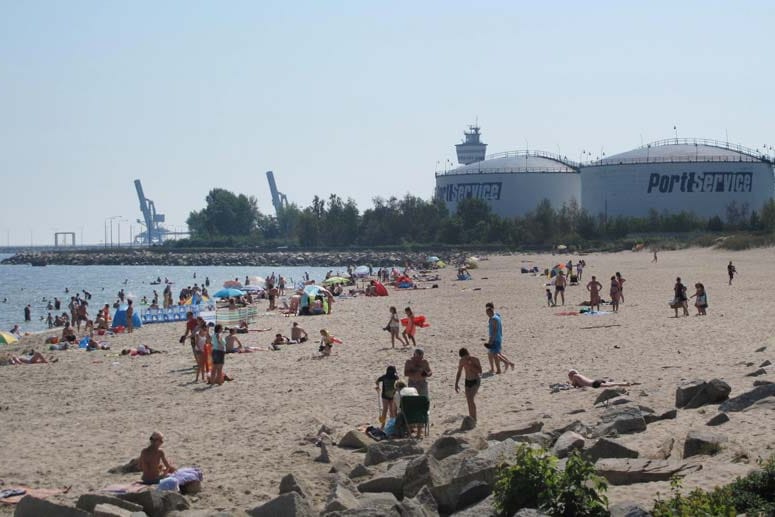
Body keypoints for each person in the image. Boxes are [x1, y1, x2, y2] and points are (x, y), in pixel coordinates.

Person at [485, 303, 515, 374]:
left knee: (495, 355)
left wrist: (491, 340)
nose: (487, 313)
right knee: (492, 354)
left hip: (495, 339)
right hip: (497, 338)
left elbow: (495, 330)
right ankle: (507, 364)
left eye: (488, 311)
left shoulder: (494, 319)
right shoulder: (496, 315)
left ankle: (501, 368)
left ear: (491, 310)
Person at [455, 348, 482, 421]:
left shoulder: (475, 359)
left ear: (468, 354)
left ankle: (474, 418)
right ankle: (471, 417)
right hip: (467, 381)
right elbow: (459, 372)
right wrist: (456, 383)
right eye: (463, 358)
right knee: (468, 400)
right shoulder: (461, 361)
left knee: (471, 399)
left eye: (466, 356)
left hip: (475, 380)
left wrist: (470, 365)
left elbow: (480, 371)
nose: (465, 358)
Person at [568, 369, 634, 388]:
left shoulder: (575, 376)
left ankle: (625, 384)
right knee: (611, 384)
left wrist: (571, 384)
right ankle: (625, 383)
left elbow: (573, 384)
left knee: (611, 385)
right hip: (595, 381)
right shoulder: (579, 377)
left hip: (594, 384)